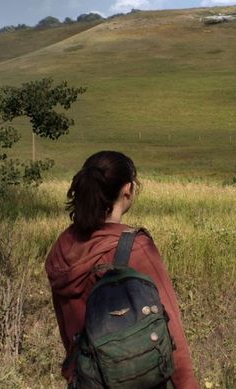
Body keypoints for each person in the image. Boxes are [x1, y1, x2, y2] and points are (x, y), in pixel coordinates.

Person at [45, 151, 198, 388]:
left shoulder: (62, 249)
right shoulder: (136, 248)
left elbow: (68, 334)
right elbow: (171, 330)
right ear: (127, 189)